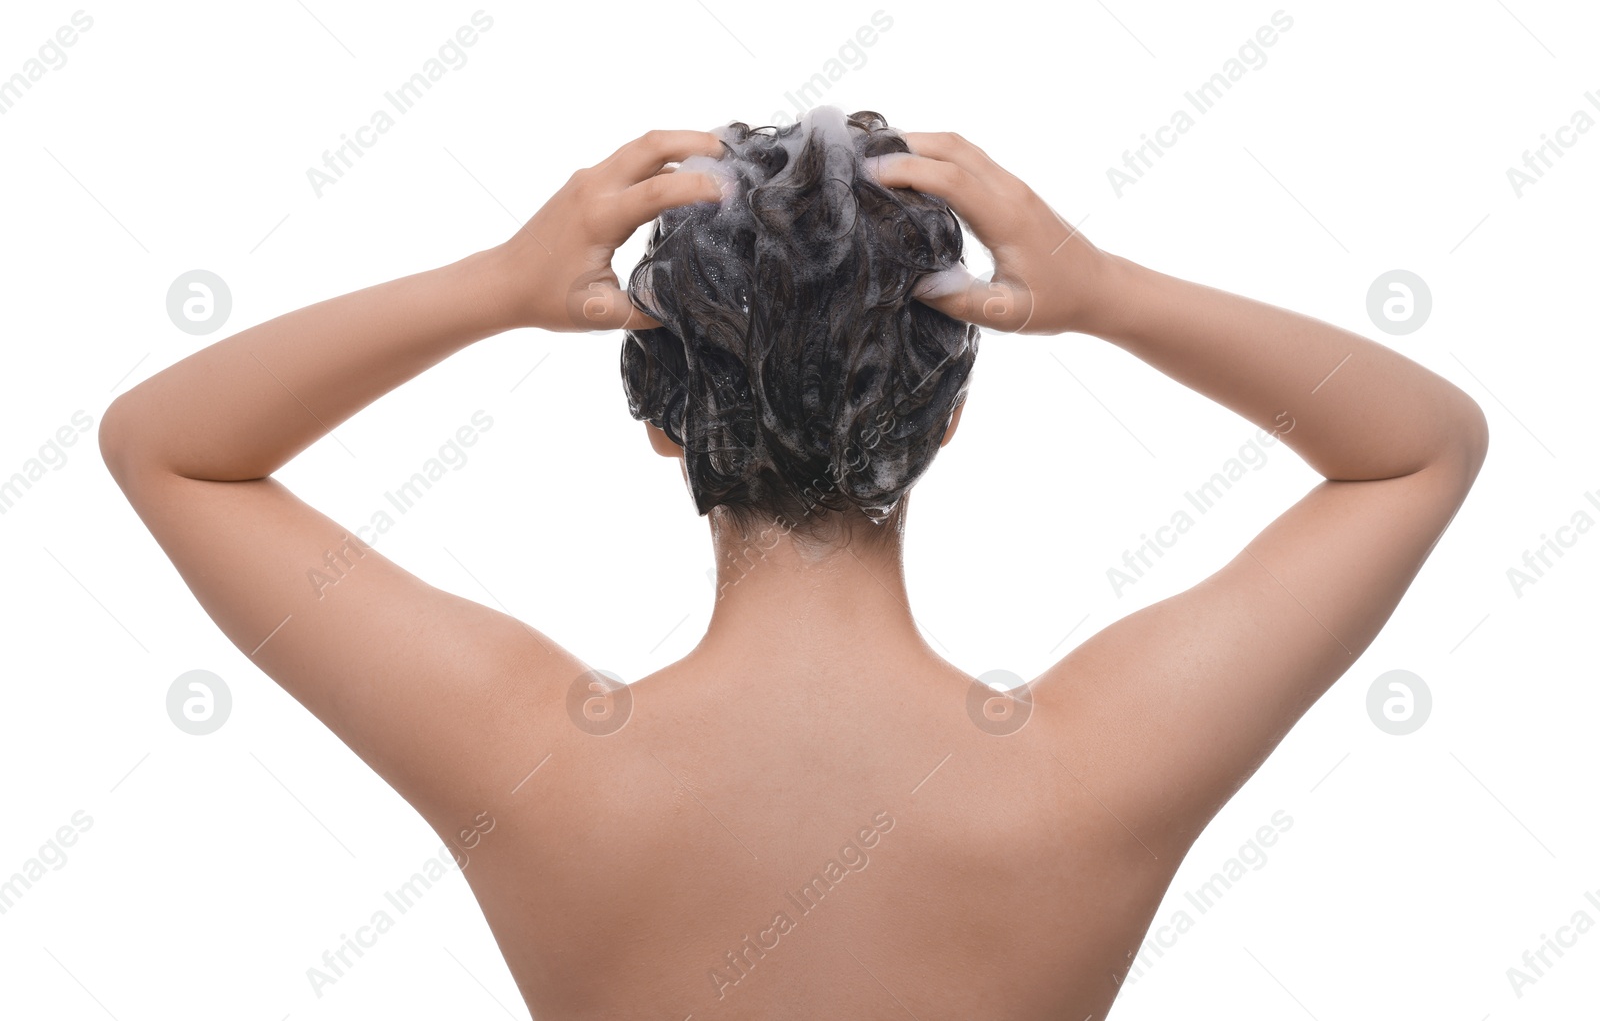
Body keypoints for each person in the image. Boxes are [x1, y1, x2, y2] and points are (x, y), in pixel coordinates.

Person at [100, 105, 1488, 1019]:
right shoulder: (1089, 770)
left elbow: (167, 446)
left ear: (659, 427)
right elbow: (1418, 448)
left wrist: (495, 282)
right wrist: (1108, 291)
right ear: (950, 421)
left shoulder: (534, 762)